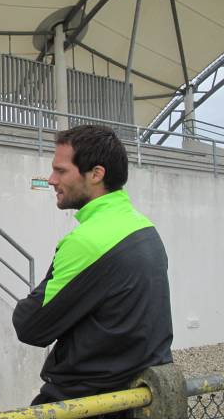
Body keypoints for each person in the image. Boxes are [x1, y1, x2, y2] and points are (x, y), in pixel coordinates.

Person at [12, 125, 173, 417]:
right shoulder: (146, 229)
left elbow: (30, 326)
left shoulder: (86, 242)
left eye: (61, 171)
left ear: (96, 174)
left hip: (88, 405)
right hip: (141, 400)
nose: (51, 180)